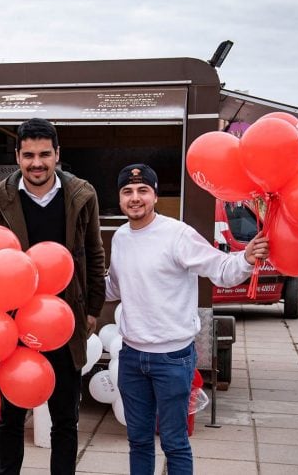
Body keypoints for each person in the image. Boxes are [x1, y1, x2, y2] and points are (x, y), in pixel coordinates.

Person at [105, 163, 269, 475]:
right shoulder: (121, 238)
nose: (135, 197)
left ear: (155, 196)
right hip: (132, 357)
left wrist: (245, 258)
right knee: (138, 441)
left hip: (172, 358)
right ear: (120, 197)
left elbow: (220, 268)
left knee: (174, 441)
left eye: (143, 191)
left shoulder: (177, 234)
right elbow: (114, 286)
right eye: (127, 191)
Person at [0, 117, 106, 474]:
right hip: (15, 326)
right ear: (17, 156)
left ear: (57, 155)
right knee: (11, 420)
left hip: (64, 325)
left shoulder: (82, 195)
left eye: (45, 154)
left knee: (65, 419)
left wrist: (93, 309)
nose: (37, 163)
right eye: (29, 154)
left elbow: (95, 254)